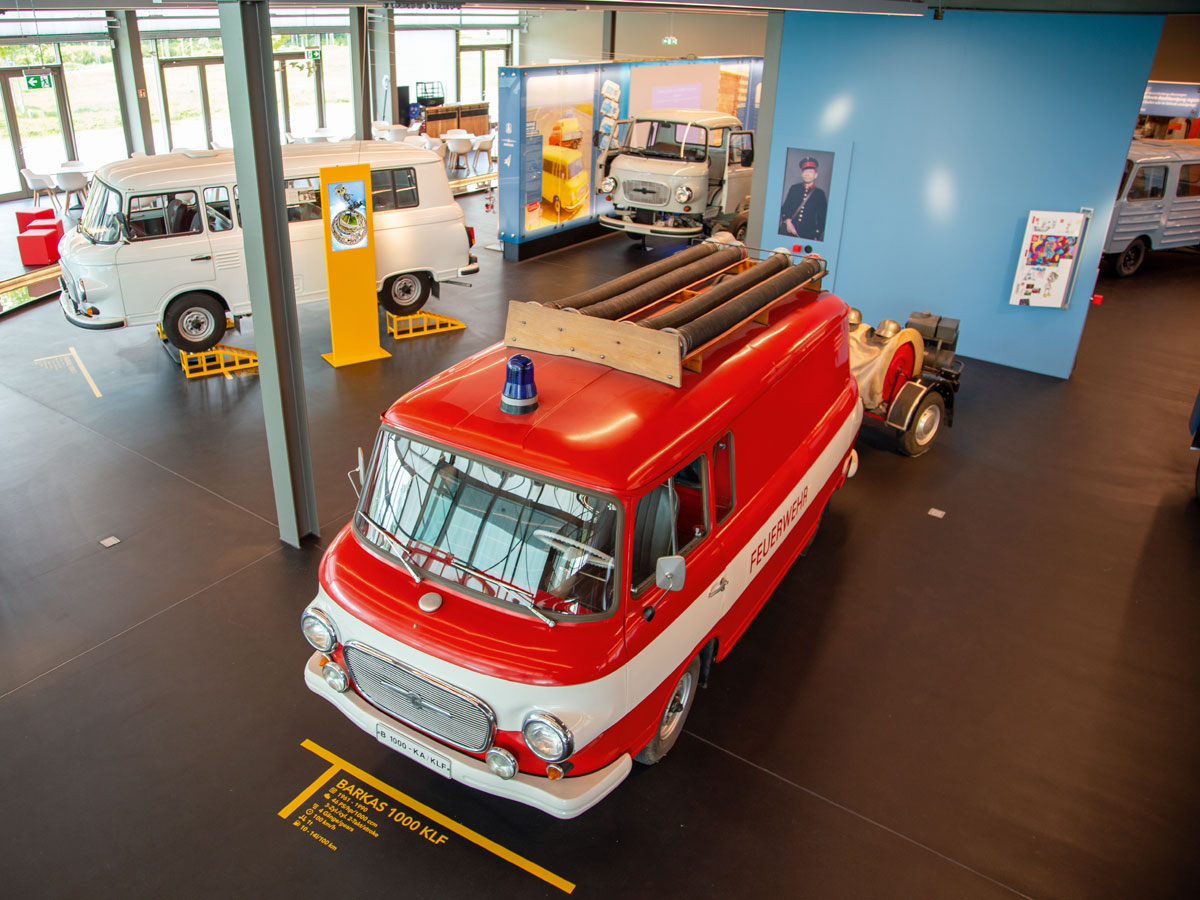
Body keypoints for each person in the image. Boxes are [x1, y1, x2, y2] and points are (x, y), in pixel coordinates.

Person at [779, 155, 827, 241]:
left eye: (810, 172)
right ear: (802, 174)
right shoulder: (794, 189)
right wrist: (788, 222)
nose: (807, 174)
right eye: (805, 171)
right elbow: (785, 208)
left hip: (808, 235)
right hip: (789, 233)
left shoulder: (820, 194)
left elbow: (822, 219)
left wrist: (816, 234)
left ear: (815, 175)